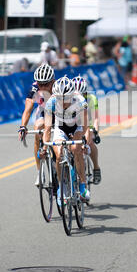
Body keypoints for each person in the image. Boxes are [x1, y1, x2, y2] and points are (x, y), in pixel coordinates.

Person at [40, 76, 90, 204]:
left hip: (76, 127)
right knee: (58, 154)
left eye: (66, 98)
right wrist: (45, 148)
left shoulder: (80, 100)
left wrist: (83, 140)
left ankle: (83, 185)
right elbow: (47, 128)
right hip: (60, 128)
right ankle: (61, 188)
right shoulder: (51, 102)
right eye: (59, 98)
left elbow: (85, 125)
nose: (62, 101)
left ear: (72, 94)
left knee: (76, 149)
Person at [18, 64, 55, 186]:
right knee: (37, 130)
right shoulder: (34, 89)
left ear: (53, 81)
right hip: (44, 111)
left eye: (46, 84)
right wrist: (23, 126)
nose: (43, 87)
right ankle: (40, 172)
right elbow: (28, 110)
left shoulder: (59, 87)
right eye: (40, 84)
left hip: (60, 113)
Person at [73, 75, 101, 185]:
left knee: (90, 142)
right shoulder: (69, 98)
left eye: (82, 94)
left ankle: (96, 168)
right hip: (75, 123)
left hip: (88, 122)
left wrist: (96, 132)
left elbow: (96, 118)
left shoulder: (92, 98)